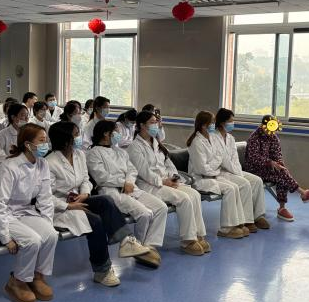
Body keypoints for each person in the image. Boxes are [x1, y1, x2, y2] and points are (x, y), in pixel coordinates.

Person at [46, 122, 149, 286]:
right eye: (75, 134)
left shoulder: (79, 155)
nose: (79, 137)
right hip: (60, 207)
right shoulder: (50, 163)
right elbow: (46, 196)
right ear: (65, 139)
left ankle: (125, 241)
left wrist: (85, 194)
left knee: (105, 200)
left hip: (79, 198)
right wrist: (69, 206)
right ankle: (102, 271)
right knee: (95, 221)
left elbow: (85, 180)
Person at [0, 124, 57, 302]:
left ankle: (37, 276)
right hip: (1, 217)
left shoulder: (42, 164)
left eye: (46, 140)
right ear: (28, 144)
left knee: (51, 235)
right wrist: (5, 237)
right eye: (42, 141)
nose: (46, 145)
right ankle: (18, 281)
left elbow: (45, 198)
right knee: (32, 240)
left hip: (24, 211)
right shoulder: (9, 167)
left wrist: (47, 224)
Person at [86, 120, 166, 268]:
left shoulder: (120, 151)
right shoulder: (93, 153)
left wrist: (128, 182)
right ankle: (139, 249)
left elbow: (132, 170)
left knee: (161, 207)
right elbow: (101, 177)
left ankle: (149, 245)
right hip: (111, 191)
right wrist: (123, 183)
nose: (118, 134)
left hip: (130, 187)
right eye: (116, 131)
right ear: (106, 133)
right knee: (145, 214)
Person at [129, 111, 209, 256]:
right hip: (150, 185)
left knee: (195, 195)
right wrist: (163, 181)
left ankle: (198, 234)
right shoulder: (135, 147)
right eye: (152, 122)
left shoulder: (156, 143)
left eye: (156, 122)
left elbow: (168, 164)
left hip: (166, 182)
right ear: (142, 125)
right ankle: (188, 240)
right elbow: (144, 171)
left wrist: (173, 177)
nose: (156, 125)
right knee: (184, 199)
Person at [245, 115, 309, 222]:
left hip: (268, 169)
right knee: (282, 175)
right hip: (254, 169)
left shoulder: (273, 137)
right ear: (263, 125)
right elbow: (253, 158)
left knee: (282, 172)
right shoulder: (254, 138)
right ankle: (300, 195)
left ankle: (284, 207)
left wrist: (279, 163)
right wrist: (270, 163)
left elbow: (277, 154)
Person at [187, 111, 246, 239]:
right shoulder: (196, 142)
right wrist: (215, 168)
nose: (214, 125)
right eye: (212, 123)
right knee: (229, 189)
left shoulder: (211, 138)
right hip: (201, 179)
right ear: (203, 125)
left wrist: (213, 167)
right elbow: (202, 168)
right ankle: (226, 228)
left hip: (212, 176)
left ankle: (238, 223)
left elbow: (219, 157)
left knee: (234, 187)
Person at [212, 108, 269, 232]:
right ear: (222, 122)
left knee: (257, 180)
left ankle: (258, 216)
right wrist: (237, 173)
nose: (232, 123)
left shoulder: (231, 138)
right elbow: (223, 160)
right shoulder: (213, 137)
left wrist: (238, 171)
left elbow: (235, 159)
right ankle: (247, 220)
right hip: (221, 172)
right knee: (244, 183)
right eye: (230, 121)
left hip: (234, 170)